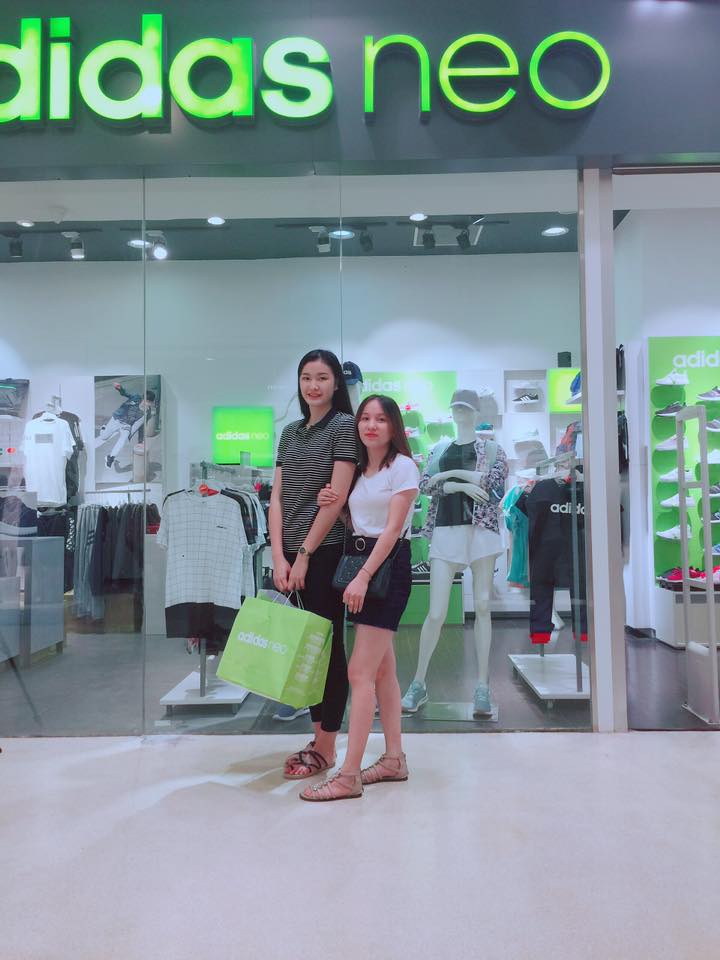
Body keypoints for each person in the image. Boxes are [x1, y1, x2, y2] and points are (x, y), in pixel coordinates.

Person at [300, 394, 419, 802]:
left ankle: (348, 775)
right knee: (382, 671)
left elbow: (392, 531)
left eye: (380, 419)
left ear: (394, 426)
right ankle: (394, 759)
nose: (371, 425)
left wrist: (364, 576)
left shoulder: (403, 467)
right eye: (365, 418)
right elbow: (361, 521)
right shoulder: (362, 471)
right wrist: (332, 505)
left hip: (383, 569)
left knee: (359, 673)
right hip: (359, 563)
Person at [270, 349, 359, 779]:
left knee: (327, 646)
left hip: (324, 552)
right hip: (289, 554)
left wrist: (304, 554)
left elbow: (335, 499)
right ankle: (316, 735)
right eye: (306, 377)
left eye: (322, 377)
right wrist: (278, 555)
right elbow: (276, 498)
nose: (313, 385)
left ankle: (326, 744)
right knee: (305, 646)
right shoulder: (290, 433)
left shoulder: (343, 427)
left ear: (336, 383)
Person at [94, 382, 156, 468]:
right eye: (146, 401)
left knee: (123, 440)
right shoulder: (136, 397)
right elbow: (125, 393)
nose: (147, 404)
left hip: (127, 425)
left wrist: (140, 441)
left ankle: (110, 457)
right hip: (117, 419)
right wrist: (120, 388)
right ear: (143, 398)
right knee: (104, 437)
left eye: (149, 402)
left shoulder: (146, 413)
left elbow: (141, 426)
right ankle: (104, 428)